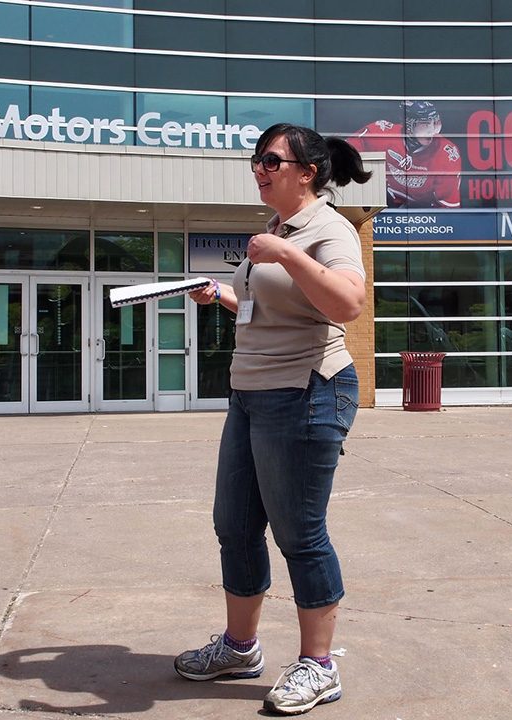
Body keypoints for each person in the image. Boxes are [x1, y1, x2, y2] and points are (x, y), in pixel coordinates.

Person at [176, 123, 371, 715]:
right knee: (233, 523)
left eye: (270, 160)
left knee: (299, 533)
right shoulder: (277, 229)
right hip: (252, 392)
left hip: (307, 390)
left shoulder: (326, 228)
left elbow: (348, 304)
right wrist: (222, 294)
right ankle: (240, 646)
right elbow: (271, 311)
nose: (258, 169)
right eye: (255, 160)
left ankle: (319, 665)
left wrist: (287, 252)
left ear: (306, 172)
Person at [348, 100, 462, 209]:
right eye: (425, 124)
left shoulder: (447, 155)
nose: (432, 130)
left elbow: (448, 211)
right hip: (383, 204)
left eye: (435, 123)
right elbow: (343, 152)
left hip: (421, 216)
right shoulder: (381, 133)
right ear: (408, 125)